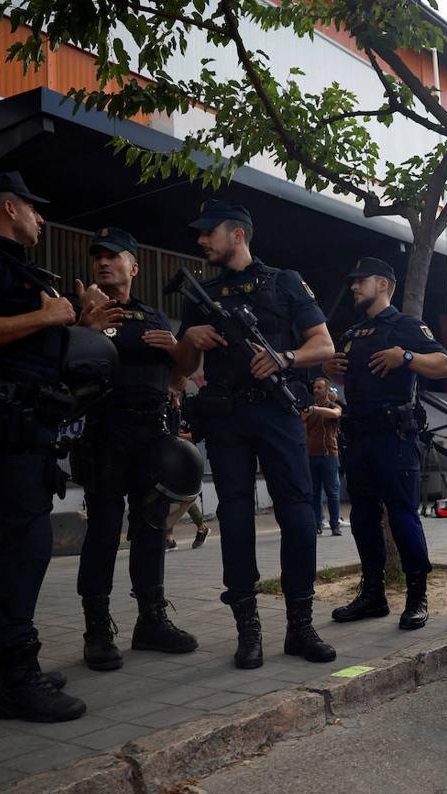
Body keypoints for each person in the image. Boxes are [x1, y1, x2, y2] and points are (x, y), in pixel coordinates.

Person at [0, 171, 104, 722]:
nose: (41, 218)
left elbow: (30, 341)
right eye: (34, 209)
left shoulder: (11, 266)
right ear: (9, 207)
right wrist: (48, 314)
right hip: (10, 418)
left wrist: (75, 322)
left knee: (10, 540)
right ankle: (18, 679)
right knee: (25, 543)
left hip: (27, 418)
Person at [172, 199, 337, 668]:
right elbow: (183, 370)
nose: (202, 241)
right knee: (237, 521)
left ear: (238, 234)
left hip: (278, 412)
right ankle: (248, 633)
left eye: (210, 233)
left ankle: (300, 629)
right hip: (226, 419)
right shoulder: (200, 294)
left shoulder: (284, 282)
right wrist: (189, 340)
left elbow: (322, 344)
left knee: (300, 518)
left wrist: (285, 358)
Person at [73, 227, 200, 672]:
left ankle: (151, 621)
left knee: (151, 530)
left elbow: (183, 373)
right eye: (98, 257)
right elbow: (65, 369)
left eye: (114, 256)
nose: (104, 262)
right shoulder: (81, 312)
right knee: (103, 532)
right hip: (106, 434)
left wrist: (178, 348)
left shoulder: (153, 317)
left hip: (152, 436)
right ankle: (96, 630)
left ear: (134, 266)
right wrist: (84, 329)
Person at [323, 257, 447, 630]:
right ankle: (373, 595)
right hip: (358, 437)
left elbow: (445, 365)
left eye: (359, 281)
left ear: (382, 284)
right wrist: (328, 369)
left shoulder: (406, 326)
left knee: (402, 516)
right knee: (363, 518)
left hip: (394, 437)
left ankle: (416, 596)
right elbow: (340, 374)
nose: (353, 287)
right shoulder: (351, 333)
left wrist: (406, 356)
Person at [165, 379, 211, 550]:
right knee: (171, 494)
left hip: (187, 457)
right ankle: (171, 536)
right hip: (171, 456)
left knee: (182, 495)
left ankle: (174, 535)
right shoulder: (168, 409)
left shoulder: (189, 408)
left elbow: (195, 436)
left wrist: (175, 436)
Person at [303, 377, 342, 536]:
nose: (316, 390)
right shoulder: (309, 409)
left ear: (327, 390)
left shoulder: (333, 406)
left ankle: (335, 525)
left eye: (319, 387)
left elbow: (335, 414)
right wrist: (309, 411)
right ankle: (317, 524)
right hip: (311, 456)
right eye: (315, 387)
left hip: (329, 456)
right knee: (314, 493)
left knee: (332, 492)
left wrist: (314, 410)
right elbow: (301, 421)